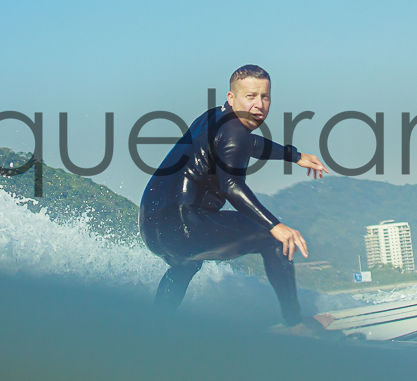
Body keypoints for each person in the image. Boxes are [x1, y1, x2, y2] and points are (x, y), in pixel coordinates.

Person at [139, 65, 329, 331]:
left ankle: (155, 328)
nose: (259, 104)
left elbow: (249, 145)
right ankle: (295, 323)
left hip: (153, 227)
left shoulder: (212, 117)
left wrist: (295, 155)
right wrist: (275, 226)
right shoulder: (235, 131)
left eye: (265, 97)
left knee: (185, 265)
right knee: (275, 240)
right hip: (185, 225)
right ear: (232, 97)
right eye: (251, 96)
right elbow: (231, 185)